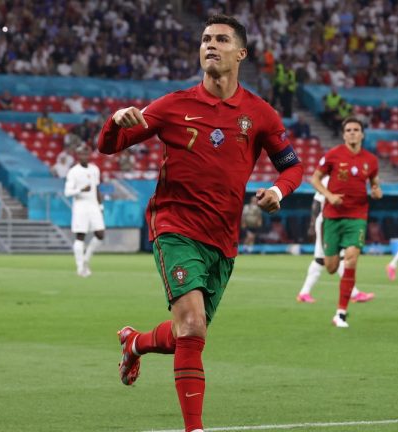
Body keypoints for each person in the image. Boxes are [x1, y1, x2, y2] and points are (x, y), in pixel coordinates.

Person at [96, 15, 303, 432]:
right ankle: (195, 429)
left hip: (223, 239)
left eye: (222, 39)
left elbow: (291, 167)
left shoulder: (259, 114)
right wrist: (115, 121)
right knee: (191, 325)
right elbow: (109, 148)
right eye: (206, 39)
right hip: (174, 225)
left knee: (188, 334)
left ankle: (135, 342)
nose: (211, 45)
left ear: (240, 53)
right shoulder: (173, 105)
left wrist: (278, 192)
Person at [311, 117, 382, 328]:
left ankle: (341, 313)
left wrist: (377, 191)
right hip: (332, 216)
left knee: (351, 259)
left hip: (357, 216)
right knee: (331, 267)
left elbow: (375, 184)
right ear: (344, 134)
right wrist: (329, 196)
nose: (352, 133)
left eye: (356, 129)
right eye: (349, 130)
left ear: (362, 134)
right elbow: (314, 179)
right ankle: (338, 254)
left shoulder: (371, 160)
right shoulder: (333, 155)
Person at [297, 175, 374, 304]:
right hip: (327, 222)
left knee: (326, 258)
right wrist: (312, 224)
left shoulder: (349, 180)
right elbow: (317, 203)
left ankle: (304, 293)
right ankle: (353, 293)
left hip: (340, 221)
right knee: (327, 258)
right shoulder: (329, 180)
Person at [64, 146, 105, 278]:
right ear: (77, 155)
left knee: (100, 234)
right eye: (81, 154)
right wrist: (81, 189)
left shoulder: (94, 169)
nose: (84, 156)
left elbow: (97, 189)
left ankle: (86, 258)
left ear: (89, 155)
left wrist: (100, 205)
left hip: (94, 206)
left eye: (86, 153)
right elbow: (67, 192)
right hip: (80, 206)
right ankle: (80, 267)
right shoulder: (73, 172)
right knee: (80, 236)